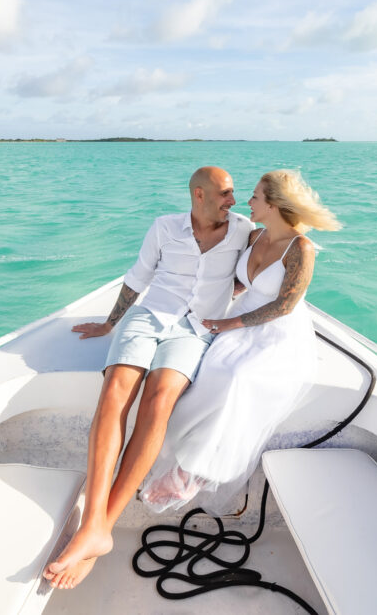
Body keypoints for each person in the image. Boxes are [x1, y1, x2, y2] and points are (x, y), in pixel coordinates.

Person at [43, 166, 253, 589]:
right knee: (116, 390)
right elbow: (138, 279)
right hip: (149, 316)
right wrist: (108, 324)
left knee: (159, 402)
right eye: (225, 193)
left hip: (198, 328)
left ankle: (99, 527)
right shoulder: (164, 227)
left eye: (233, 193)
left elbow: (263, 268)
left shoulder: (244, 231)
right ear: (199, 194)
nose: (234, 200)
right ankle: (94, 523)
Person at [139, 169, 341, 515]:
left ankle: (195, 474)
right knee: (206, 370)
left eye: (256, 197)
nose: (248, 202)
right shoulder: (254, 237)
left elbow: (284, 306)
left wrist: (227, 322)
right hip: (239, 320)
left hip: (278, 332)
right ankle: (179, 457)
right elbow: (232, 280)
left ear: (274, 204)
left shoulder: (301, 249)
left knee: (237, 379)